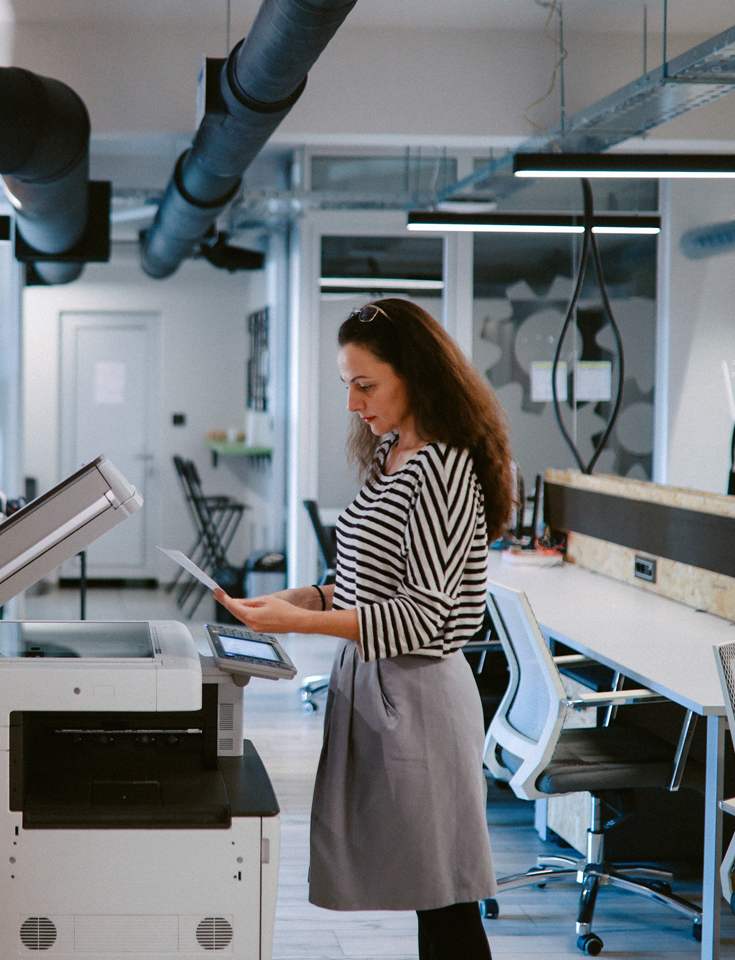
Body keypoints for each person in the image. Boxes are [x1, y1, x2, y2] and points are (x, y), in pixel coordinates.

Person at [216, 298, 514, 960]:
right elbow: (366, 576)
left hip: (419, 699)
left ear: (416, 374)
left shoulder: (441, 468)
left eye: (365, 384)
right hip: (379, 689)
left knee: (445, 897)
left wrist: (308, 621)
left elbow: (428, 614)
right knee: (425, 888)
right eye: (347, 385)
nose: (353, 403)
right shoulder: (390, 454)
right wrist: (304, 596)